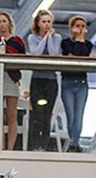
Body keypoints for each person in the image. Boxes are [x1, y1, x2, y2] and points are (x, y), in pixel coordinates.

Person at [0, 12, 26, 151]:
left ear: (9, 23)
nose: (1, 24)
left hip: (11, 78)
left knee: (11, 115)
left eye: (3, 21)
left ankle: (10, 147)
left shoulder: (18, 41)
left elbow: (22, 59)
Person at [27, 9, 62, 152]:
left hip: (51, 80)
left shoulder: (57, 37)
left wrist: (50, 38)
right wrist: (45, 38)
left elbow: (53, 53)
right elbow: (36, 53)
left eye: (49, 21)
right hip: (37, 79)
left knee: (47, 113)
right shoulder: (32, 38)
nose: (47, 24)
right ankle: (34, 145)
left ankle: (45, 145)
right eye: (44, 22)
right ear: (38, 23)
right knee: (37, 113)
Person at [61, 15, 93, 153]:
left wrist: (81, 40)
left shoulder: (88, 44)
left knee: (79, 115)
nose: (80, 29)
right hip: (67, 82)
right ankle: (73, 142)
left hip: (82, 83)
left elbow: (82, 55)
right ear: (72, 28)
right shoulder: (65, 42)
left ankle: (74, 143)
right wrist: (78, 40)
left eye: (82, 26)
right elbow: (73, 55)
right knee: (71, 116)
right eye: (77, 26)